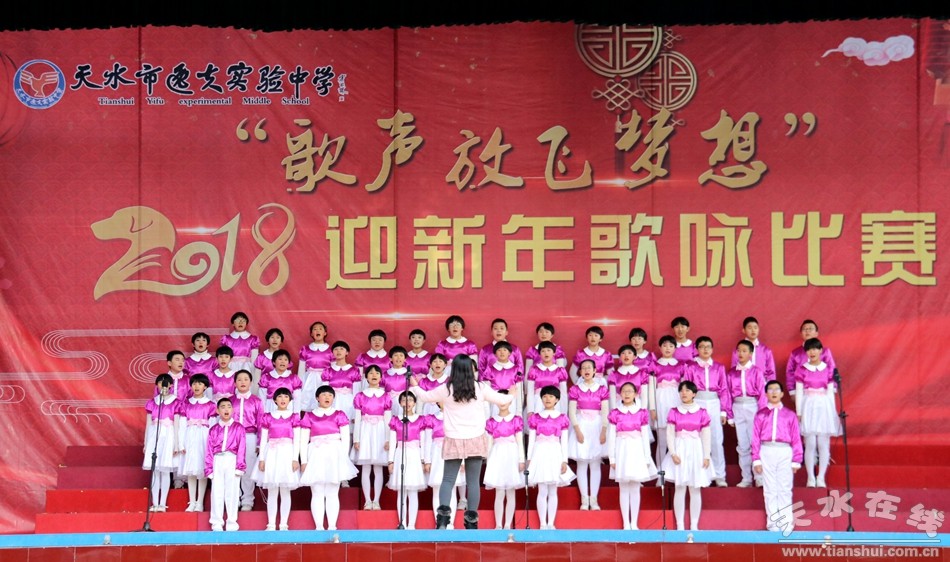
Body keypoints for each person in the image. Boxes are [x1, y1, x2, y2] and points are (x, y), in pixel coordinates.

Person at [410, 354, 513, 530]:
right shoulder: (480, 387)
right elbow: (503, 400)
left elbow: (425, 397)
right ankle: (471, 521)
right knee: (473, 482)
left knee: (448, 480)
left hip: (453, 438)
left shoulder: (447, 388)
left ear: (454, 369)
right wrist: (513, 392)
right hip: (475, 438)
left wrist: (414, 384)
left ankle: (443, 519)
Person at [299, 386, 358, 530]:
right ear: (317, 398)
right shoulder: (309, 416)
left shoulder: (339, 414)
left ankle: (332, 526)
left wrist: (343, 459)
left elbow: (345, 439)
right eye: (324, 395)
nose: (327, 397)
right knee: (317, 491)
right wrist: (304, 461)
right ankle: (319, 527)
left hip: (334, 454)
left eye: (330, 395)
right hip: (316, 454)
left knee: (332, 492)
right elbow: (303, 440)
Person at [661, 381, 714, 531]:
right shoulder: (674, 411)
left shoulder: (702, 412)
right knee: (680, 487)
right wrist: (672, 453)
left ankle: (694, 524)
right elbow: (670, 434)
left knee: (695, 488)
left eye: (687, 390)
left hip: (696, 449)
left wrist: (706, 455)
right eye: (681, 390)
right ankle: (680, 524)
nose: (684, 393)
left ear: (694, 393)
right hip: (680, 449)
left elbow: (706, 435)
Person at [752, 380, 803, 533]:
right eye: (770, 390)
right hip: (766, 450)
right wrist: (756, 459)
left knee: (785, 487)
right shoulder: (761, 414)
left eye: (776, 390)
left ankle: (786, 522)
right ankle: (773, 523)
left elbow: (796, 437)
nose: (773, 392)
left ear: (782, 394)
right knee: (770, 488)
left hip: (784, 451)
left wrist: (796, 459)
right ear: (766, 394)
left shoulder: (790, 415)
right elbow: (755, 438)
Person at [607, 382, 657, 530]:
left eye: (630, 391)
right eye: (624, 391)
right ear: (620, 394)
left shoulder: (641, 413)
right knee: (623, 488)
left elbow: (644, 436)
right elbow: (611, 437)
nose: (627, 394)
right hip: (621, 450)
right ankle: (625, 523)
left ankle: (634, 522)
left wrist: (647, 457)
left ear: (636, 394)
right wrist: (612, 458)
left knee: (635, 488)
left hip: (636, 451)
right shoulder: (615, 413)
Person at [527, 385, 575, 530]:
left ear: (557, 400)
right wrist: (529, 458)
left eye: (551, 396)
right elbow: (531, 439)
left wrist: (564, 460)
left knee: (553, 491)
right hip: (539, 452)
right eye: (545, 396)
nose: (547, 399)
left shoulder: (562, 418)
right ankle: (542, 523)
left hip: (555, 452)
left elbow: (564, 440)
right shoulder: (535, 418)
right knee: (542, 490)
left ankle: (551, 523)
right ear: (541, 398)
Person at [683, 336, 729, 487]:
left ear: (712, 349)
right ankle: (701, 475)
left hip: (714, 402)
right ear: (697, 349)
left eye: (708, 346)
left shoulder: (719, 367)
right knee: (698, 439)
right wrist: (688, 407)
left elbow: (724, 389)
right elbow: (687, 388)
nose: (705, 349)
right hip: (697, 402)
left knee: (716, 439)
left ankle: (720, 476)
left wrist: (724, 411)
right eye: (702, 347)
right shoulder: (690, 367)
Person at [794, 338, 840, 488]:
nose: (812, 352)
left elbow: (830, 392)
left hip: (823, 406)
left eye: (815, 349)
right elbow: (799, 392)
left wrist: (832, 412)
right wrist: (799, 412)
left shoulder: (828, 369)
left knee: (823, 443)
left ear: (821, 351)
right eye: (809, 349)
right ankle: (810, 478)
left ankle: (821, 478)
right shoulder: (802, 369)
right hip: (808, 405)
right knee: (810, 443)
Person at [253, 387, 300, 530]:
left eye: (286, 397)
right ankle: (271, 523)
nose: (283, 399)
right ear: (274, 400)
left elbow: (297, 439)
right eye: (280, 397)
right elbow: (263, 439)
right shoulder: (267, 416)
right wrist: (262, 459)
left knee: (285, 491)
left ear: (290, 400)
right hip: (272, 453)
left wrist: (295, 458)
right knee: (272, 491)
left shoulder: (294, 417)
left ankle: (284, 523)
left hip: (287, 453)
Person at [725, 340, 768, 488]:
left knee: (755, 442)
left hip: (752, 406)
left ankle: (759, 477)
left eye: (744, 351)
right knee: (742, 444)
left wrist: (762, 414)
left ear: (750, 354)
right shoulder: (731, 373)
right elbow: (727, 394)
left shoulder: (757, 371)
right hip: (737, 407)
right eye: (739, 351)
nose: (741, 353)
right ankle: (746, 478)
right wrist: (729, 414)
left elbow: (762, 393)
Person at [568, 359, 608, 510]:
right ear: (580, 372)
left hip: (597, 426)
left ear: (594, 370)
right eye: (583, 368)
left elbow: (605, 411)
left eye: (589, 368)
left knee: (595, 464)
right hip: (581, 425)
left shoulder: (602, 389)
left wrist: (604, 430)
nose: (586, 370)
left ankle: (594, 499)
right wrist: (577, 430)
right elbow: (572, 412)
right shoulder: (575, 389)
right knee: (582, 464)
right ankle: (584, 500)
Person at [352, 364, 392, 510]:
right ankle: (367, 501)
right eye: (370, 373)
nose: (374, 375)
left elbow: (388, 419)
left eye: (377, 373)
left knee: (378, 468)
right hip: (365, 430)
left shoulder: (386, 396)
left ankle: (377, 500)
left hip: (380, 431)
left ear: (381, 377)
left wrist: (388, 439)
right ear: (366, 377)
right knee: (366, 467)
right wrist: (356, 439)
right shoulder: (360, 396)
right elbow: (357, 418)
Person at [387, 391, 429, 530]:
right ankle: (402, 522)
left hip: (415, 455)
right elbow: (392, 442)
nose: (407, 403)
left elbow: (423, 442)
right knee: (401, 491)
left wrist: (423, 460)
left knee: (413, 491)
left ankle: (412, 524)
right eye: (404, 400)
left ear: (415, 403)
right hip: (400, 454)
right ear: (400, 403)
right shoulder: (395, 420)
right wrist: (390, 461)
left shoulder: (420, 420)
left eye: (410, 400)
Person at [483, 392, 525, 530]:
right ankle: (498, 524)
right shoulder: (491, 421)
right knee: (499, 492)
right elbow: (489, 444)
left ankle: (507, 524)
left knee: (510, 492)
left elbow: (520, 442)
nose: (502, 403)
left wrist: (521, 459)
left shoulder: (516, 420)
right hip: (497, 455)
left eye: (505, 400)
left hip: (512, 455)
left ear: (510, 402)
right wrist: (488, 461)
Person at [177, 374, 217, 512]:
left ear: (205, 387)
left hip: (203, 437)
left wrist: (212, 444)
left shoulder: (211, 404)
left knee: (201, 469)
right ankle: (192, 501)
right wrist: (181, 443)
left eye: (200, 384)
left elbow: (213, 426)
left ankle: (200, 502)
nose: (197, 386)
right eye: (194, 384)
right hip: (189, 436)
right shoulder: (186, 403)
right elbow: (182, 424)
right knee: (191, 470)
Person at [205, 397, 246, 531]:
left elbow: (242, 447)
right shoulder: (213, 429)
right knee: (217, 491)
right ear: (217, 411)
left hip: (232, 459)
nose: (226, 409)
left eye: (229, 406)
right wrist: (209, 468)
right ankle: (216, 521)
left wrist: (240, 466)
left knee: (232, 492)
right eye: (222, 407)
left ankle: (231, 521)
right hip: (218, 460)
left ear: (232, 410)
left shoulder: (239, 427)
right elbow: (209, 449)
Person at [143, 373, 180, 512]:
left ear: (170, 385)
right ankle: (154, 502)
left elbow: (177, 425)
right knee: (155, 471)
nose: (163, 386)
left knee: (164, 470)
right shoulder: (152, 402)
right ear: (157, 386)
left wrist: (176, 444)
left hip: (168, 435)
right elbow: (148, 424)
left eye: (166, 383)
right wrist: (146, 443)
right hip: (154, 435)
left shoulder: (176, 402)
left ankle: (162, 503)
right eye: (160, 383)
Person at [425, 403, 466, 529]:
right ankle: (439, 522)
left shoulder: (456, 417)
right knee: (437, 490)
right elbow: (427, 441)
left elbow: (461, 439)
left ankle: (450, 522)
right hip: (436, 456)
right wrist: (427, 460)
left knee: (452, 489)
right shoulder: (431, 418)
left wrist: (462, 461)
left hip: (453, 454)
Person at [232, 370, 263, 511]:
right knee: (233, 468)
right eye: (239, 379)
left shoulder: (256, 401)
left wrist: (259, 443)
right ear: (235, 383)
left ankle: (247, 500)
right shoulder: (230, 401)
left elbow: (261, 423)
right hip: (232, 437)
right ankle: (235, 498)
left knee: (248, 468)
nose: (242, 382)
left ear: (251, 382)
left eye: (246, 379)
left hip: (250, 436)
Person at [652, 335, 684, 469]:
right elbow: (651, 389)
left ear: (675, 348)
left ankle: (675, 471)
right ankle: (660, 472)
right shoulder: (654, 365)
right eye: (664, 346)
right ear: (660, 348)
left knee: (677, 440)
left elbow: (684, 388)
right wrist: (652, 408)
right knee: (662, 441)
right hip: (660, 401)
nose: (668, 348)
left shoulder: (681, 365)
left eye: (671, 346)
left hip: (676, 400)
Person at [786, 319, 836, 395]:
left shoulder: (825, 351)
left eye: (811, 329)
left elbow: (832, 369)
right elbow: (790, 372)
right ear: (801, 334)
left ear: (816, 333)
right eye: (805, 329)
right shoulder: (795, 353)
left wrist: (833, 388)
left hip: (823, 392)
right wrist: (792, 391)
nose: (807, 331)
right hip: (801, 392)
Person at [526, 341, 569, 416]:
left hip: (555, 403)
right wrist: (530, 410)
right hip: (538, 402)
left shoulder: (560, 371)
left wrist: (564, 412)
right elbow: (530, 391)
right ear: (539, 354)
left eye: (549, 350)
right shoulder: (534, 370)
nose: (546, 353)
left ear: (554, 353)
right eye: (543, 351)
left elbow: (563, 393)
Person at [481, 341, 524, 417]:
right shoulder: (489, 370)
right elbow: (486, 391)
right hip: (495, 402)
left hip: (511, 401)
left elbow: (519, 391)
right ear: (495, 354)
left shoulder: (516, 369)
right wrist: (487, 412)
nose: (502, 352)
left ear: (509, 353)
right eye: (499, 350)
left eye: (505, 350)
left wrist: (519, 411)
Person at [298, 321, 333, 413]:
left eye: (320, 329)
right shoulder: (305, 349)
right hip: (309, 379)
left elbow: (333, 370)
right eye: (315, 329)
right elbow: (301, 369)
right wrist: (299, 383)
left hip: (324, 380)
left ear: (325, 333)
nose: (318, 331)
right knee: (308, 400)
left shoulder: (330, 350)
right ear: (311, 333)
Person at [730, 317, 776, 384]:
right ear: (743, 330)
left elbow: (771, 372)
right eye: (749, 328)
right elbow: (734, 371)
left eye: (755, 327)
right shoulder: (737, 351)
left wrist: (769, 386)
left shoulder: (766, 350)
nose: (753, 330)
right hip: (744, 385)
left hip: (762, 384)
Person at [258, 349, 302, 414]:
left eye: (285, 360)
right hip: (270, 409)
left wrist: (296, 414)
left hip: (289, 410)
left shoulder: (294, 379)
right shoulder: (266, 378)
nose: (283, 362)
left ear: (289, 363)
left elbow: (297, 399)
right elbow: (262, 398)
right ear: (273, 362)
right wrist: (262, 414)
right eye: (280, 359)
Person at [219, 311, 260, 377]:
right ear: (233, 323)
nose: (240, 323)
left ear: (246, 324)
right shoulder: (226, 339)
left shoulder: (252, 339)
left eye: (243, 321)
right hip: (230, 367)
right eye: (238, 320)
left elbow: (255, 359)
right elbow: (222, 357)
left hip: (247, 368)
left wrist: (254, 374)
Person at [608, 344, 649, 410]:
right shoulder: (614, 375)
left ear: (634, 356)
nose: (626, 355)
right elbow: (612, 396)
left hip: (637, 407)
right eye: (623, 353)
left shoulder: (641, 374)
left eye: (629, 353)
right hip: (619, 407)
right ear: (620, 357)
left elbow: (644, 395)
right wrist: (614, 410)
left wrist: (643, 410)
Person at [383, 346, 411, 418]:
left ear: (405, 359)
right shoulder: (385, 374)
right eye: (395, 355)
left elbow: (413, 388)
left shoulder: (408, 373)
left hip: (404, 401)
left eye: (401, 355)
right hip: (389, 401)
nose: (398, 358)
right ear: (390, 359)